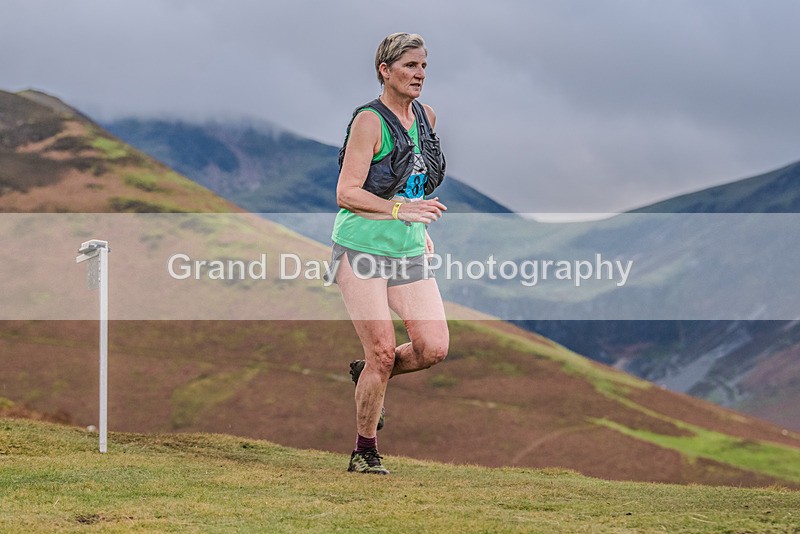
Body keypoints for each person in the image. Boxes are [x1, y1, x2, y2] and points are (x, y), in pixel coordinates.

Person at [328, 32, 449, 475]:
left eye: (423, 66)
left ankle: (369, 373)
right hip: (360, 249)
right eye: (410, 66)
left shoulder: (426, 116)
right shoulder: (369, 121)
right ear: (385, 70)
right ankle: (365, 451)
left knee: (433, 347)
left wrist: (418, 222)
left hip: (408, 250)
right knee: (382, 352)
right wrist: (399, 209)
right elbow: (346, 192)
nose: (419, 74)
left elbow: (413, 182)